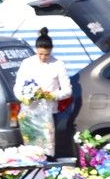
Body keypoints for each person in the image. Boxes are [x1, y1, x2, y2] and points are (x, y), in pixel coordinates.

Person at [13, 28, 71, 156]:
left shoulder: (58, 64)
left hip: (49, 112)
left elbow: (67, 91)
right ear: (36, 50)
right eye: (40, 54)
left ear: (51, 51)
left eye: (46, 54)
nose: (43, 57)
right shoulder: (27, 63)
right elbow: (18, 87)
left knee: (47, 147)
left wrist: (51, 95)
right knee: (30, 147)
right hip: (29, 111)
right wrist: (24, 97)